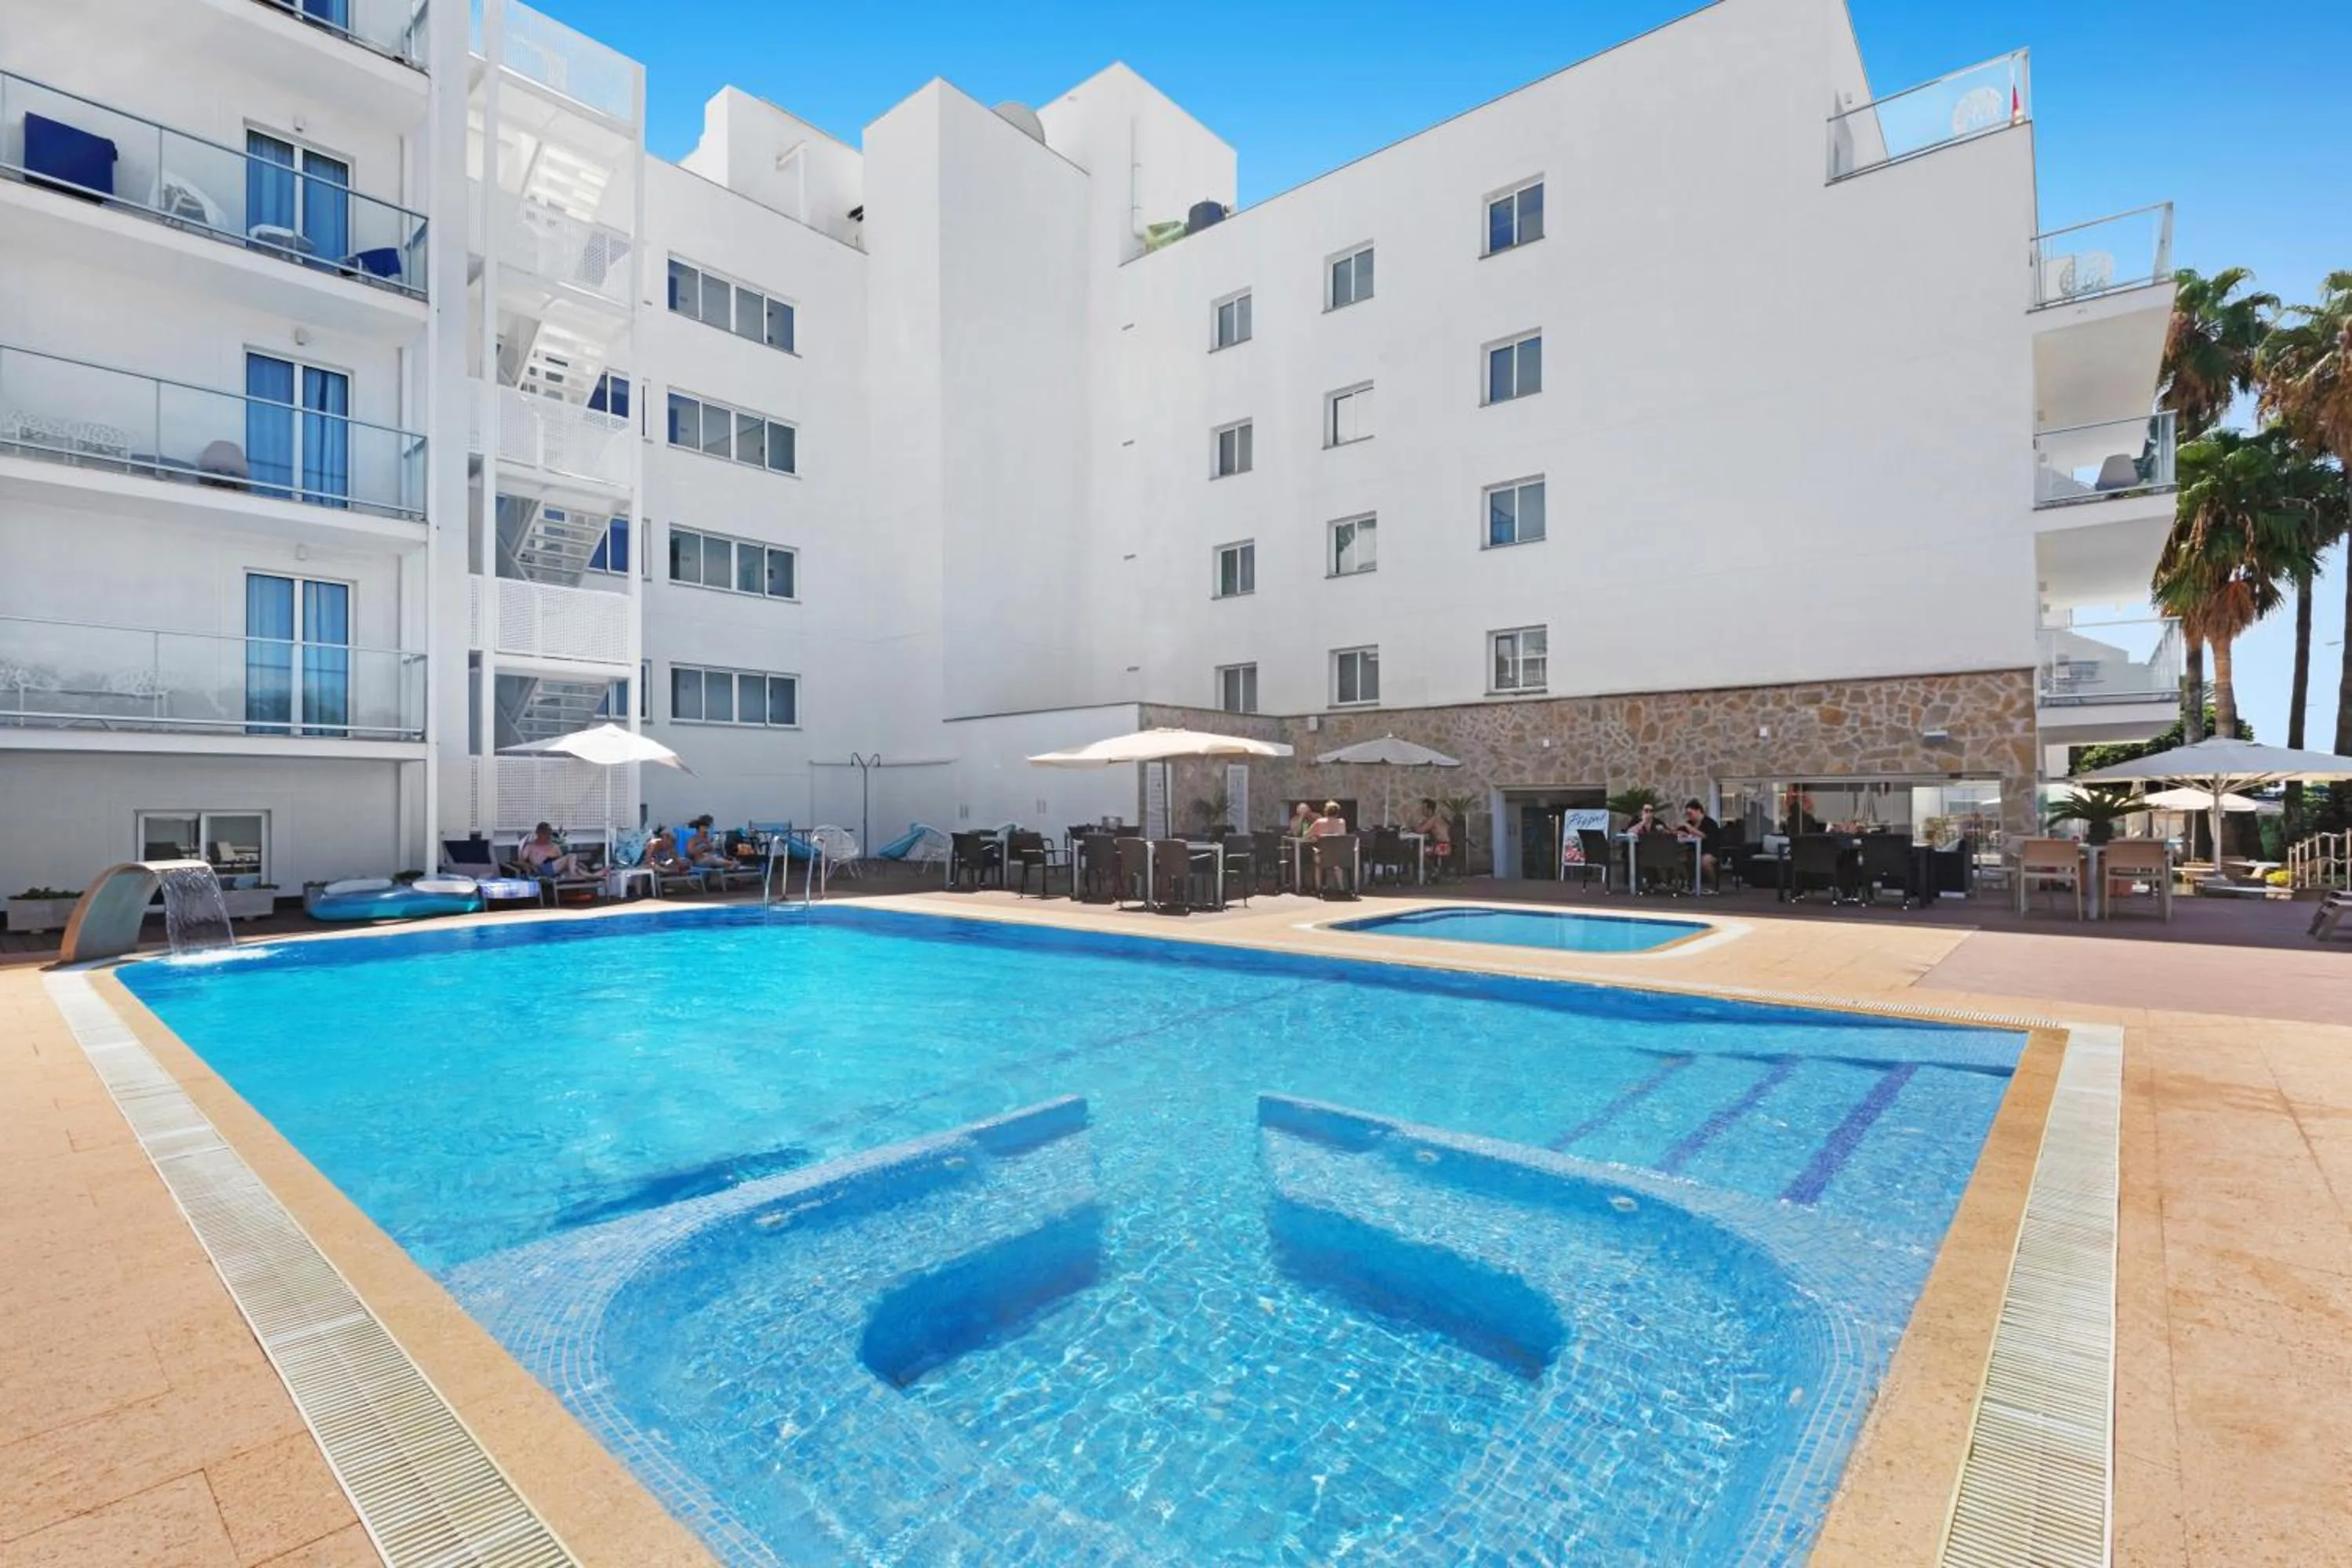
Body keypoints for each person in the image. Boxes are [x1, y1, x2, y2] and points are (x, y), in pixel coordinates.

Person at [1678, 798, 1722, 891]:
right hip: (1692, 850)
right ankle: (1689, 885)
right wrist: (1681, 834)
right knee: (1681, 859)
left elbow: (1705, 836)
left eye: (1690, 814)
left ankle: (1713, 886)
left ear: (1698, 811)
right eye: (1687, 814)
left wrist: (1691, 829)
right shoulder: (1689, 823)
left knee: (1704, 861)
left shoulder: (1710, 823)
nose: (1689, 816)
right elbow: (1680, 832)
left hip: (1710, 850)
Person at [517, 822, 589, 879]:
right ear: (538, 834)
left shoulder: (554, 846)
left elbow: (562, 861)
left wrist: (576, 865)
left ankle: (595, 876)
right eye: (545, 834)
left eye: (549, 834)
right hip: (541, 869)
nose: (547, 836)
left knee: (578, 867)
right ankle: (573, 875)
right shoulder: (530, 847)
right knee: (572, 856)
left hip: (554, 869)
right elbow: (521, 862)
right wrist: (529, 867)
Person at [1410, 797, 1453, 879]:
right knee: (1420, 849)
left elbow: (1421, 830)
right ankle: (1433, 871)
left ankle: (1433, 871)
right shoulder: (1433, 818)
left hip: (1442, 847)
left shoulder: (1434, 819)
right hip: (1441, 845)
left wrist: (1411, 827)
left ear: (1430, 809)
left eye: (1424, 808)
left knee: (1418, 852)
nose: (1422, 811)